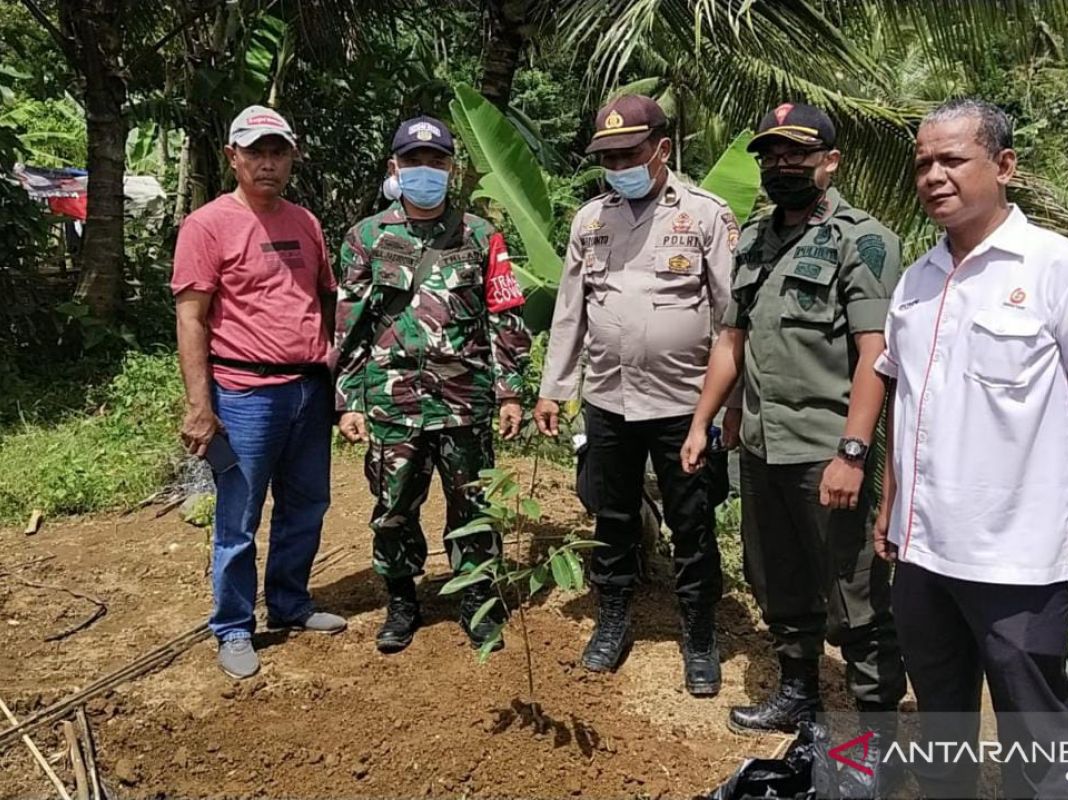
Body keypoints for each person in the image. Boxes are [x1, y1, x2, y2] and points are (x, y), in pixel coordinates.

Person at [874, 98, 1068, 799]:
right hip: (924, 553)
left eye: (951, 160)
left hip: (1019, 561)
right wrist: (890, 506)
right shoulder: (917, 279)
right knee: (941, 717)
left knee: (1035, 730)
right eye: (922, 164)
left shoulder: (1067, 269)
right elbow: (905, 404)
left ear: (1003, 166)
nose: (933, 176)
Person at [682, 102, 906, 733]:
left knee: (855, 597)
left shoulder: (863, 241)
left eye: (797, 155)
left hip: (825, 451)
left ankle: (876, 730)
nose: (782, 166)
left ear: (829, 163)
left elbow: (875, 355)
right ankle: (798, 694)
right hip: (761, 448)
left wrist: (853, 454)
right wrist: (704, 421)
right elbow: (732, 340)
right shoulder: (753, 238)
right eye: (772, 156)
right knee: (775, 581)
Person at [533, 94, 739, 696]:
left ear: (661, 149)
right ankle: (613, 616)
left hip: (684, 405)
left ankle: (699, 633)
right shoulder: (590, 220)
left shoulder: (705, 215)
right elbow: (571, 313)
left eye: (630, 151)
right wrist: (554, 390)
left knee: (692, 521)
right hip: (608, 401)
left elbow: (732, 319)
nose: (618, 163)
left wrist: (729, 405)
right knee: (612, 515)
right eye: (608, 155)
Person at [333, 115, 531, 655]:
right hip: (392, 403)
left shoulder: (481, 236)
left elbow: (505, 316)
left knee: (472, 506)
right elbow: (349, 326)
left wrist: (511, 391)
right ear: (395, 167)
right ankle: (402, 600)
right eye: (415, 161)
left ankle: (477, 601)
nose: (426, 170)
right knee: (393, 508)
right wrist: (347, 400)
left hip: (465, 400)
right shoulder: (367, 237)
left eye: (437, 162)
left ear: (452, 169)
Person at [173, 105, 347, 681]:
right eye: (255, 152)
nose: (267, 163)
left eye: (277, 152)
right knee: (239, 515)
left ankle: (292, 602)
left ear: (291, 157)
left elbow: (324, 297)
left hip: (306, 390)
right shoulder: (207, 226)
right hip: (244, 393)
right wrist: (201, 406)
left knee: (307, 504)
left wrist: (329, 361)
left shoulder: (305, 223)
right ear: (233, 157)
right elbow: (192, 318)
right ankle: (233, 625)